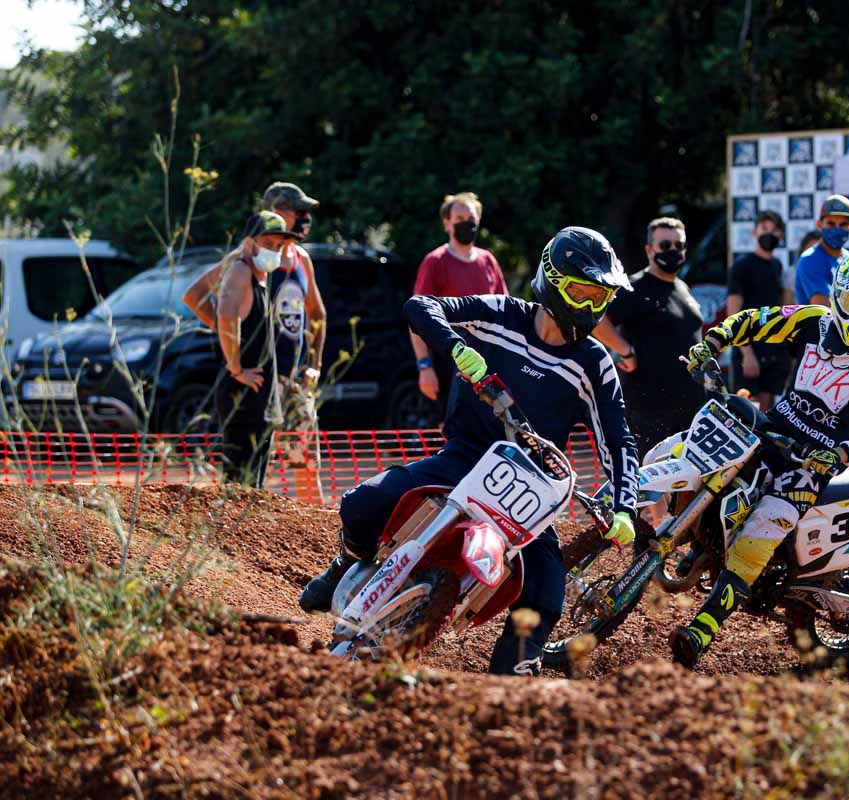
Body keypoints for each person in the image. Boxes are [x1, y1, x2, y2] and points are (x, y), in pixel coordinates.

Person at [299, 226, 640, 676]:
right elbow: (420, 306)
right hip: (467, 455)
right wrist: (457, 348)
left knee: (546, 590)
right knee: (363, 502)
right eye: (583, 292)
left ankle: (510, 681)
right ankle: (346, 563)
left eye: (601, 298)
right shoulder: (502, 314)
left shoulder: (594, 362)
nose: (593, 307)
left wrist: (624, 507)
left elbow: (617, 438)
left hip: (532, 487)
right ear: (552, 280)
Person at [670, 249, 849, 668]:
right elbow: (757, 320)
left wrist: (845, 451)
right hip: (774, 428)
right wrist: (715, 341)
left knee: (759, 534)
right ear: (837, 296)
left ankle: (703, 628)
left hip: (813, 463)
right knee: (707, 464)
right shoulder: (814, 320)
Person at [183, 182, 327, 432]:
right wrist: (231, 334)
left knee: (306, 465)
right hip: (260, 378)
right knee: (262, 457)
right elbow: (195, 296)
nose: (306, 218)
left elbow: (317, 313)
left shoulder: (302, 259)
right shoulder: (247, 258)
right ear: (277, 211)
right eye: (298, 211)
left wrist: (315, 364)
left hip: (296, 379)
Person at [592, 217, 706, 452]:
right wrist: (626, 351)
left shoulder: (683, 288)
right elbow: (596, 318)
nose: (673, 251)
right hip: (649, 410)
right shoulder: (634, 287)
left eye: (679, 246)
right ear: (649, 249)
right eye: (665, 245)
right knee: (650, 483)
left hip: (690, 406)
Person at [214, 211, 299, 485]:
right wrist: (236, 368)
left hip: (259, 397)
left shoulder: (260, 276)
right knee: (240, 485)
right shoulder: (241, 270)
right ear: (250, 243)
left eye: (278, 245)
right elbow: (225, 315)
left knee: (253, 484)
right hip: (245, 396)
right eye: (268, 243)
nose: (273, 250)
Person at [411, 192, 509, 418]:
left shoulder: (488, 261)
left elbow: (506, 311)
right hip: (450, 363)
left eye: (471, 217)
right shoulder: (435, 262)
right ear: (447, 223)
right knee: (451, 431)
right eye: (459, 217)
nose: (467, 222)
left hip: (489, 363)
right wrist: (425, 367)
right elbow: (417, 319)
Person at [727, 210, 788, 410]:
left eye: (774, 230)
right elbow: (733, 314)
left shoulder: (777, 266)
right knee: (745, 412)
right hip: (749, 350)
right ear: (754, 232)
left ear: (781, 236)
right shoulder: (742, 266)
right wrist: (747, 353)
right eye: (764, 229)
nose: (769, 234)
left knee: (767, 413)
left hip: (773, 350)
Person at [794, 195, 849, 306]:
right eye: (831, 224)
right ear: (819, 224)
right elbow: (824, 309)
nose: (837, 229)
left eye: (843, 224)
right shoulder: (810, 259)